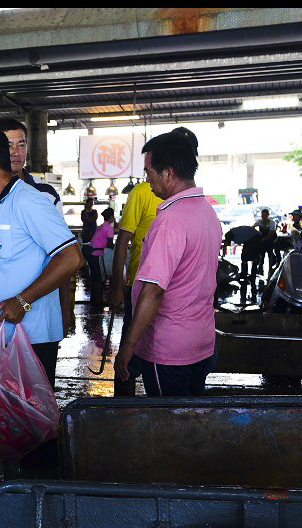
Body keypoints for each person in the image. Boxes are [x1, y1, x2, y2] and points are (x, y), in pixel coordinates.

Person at [0, 127, 83, 388]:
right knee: (5, 417)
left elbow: (71, 258)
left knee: (30, 419)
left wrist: (22, 301)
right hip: (2, 333)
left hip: (31, 338)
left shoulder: (29, 201)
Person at [113, 130, 220, 397]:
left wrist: (128, 347)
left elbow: (154, 290)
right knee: (189, 419)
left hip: (170, 351)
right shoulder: (206, 211)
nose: (147, 181)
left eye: (149, 172)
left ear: (169, 173)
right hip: (201, 342)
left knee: (168, 426)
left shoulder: (170, 220)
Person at [108, 180, 163, 396]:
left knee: (158, 351)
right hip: (139, 286)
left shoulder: (187, 198)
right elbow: (122, 241)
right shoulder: (141, 192)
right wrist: (117, 285)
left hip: (172, 289)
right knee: (128, 357)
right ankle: (121, 415)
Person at [88, 207, 116, 297]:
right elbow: (110, 244)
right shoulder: (109, 228)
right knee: (100, 278)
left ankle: (94, 300)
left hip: (91, 252)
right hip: (98, 254)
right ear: (111, 217)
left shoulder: (100, 226)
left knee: (94, 277)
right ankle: (98, 300)